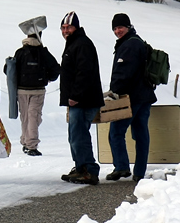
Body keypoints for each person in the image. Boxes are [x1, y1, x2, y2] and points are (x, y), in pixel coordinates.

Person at [106, 13, 157, 183]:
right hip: (145, 96)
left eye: (120, 27)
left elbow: (123, 73)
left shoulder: (129, 45)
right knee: (141, 133)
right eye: (115, 28)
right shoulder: (138, 41)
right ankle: (140, 172)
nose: (117, 31)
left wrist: (114, 91)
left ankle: (121, 167)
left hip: (132, 97)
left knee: (116, 132)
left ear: (128, 26)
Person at [58, 12, 103, 185]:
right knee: (75, 136)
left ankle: (89, 170)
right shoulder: (74, 44)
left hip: (84, 100)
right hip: (78, 100)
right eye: (63, 28)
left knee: (79, 136)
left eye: (68, 27)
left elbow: (84, 72)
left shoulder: (82, 44)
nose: (65, 30)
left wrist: (75, 96)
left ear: (76, 27)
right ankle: (80, 167)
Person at [7, 31, 59, 156]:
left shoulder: (20, 52)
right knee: (34, 117)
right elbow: (56, 69)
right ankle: (32, 146)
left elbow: (10, 70)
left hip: (21, 90)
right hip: (38, 90)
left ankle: (25, 141)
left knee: (25, 117)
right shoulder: (43, 52)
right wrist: (47, 78)